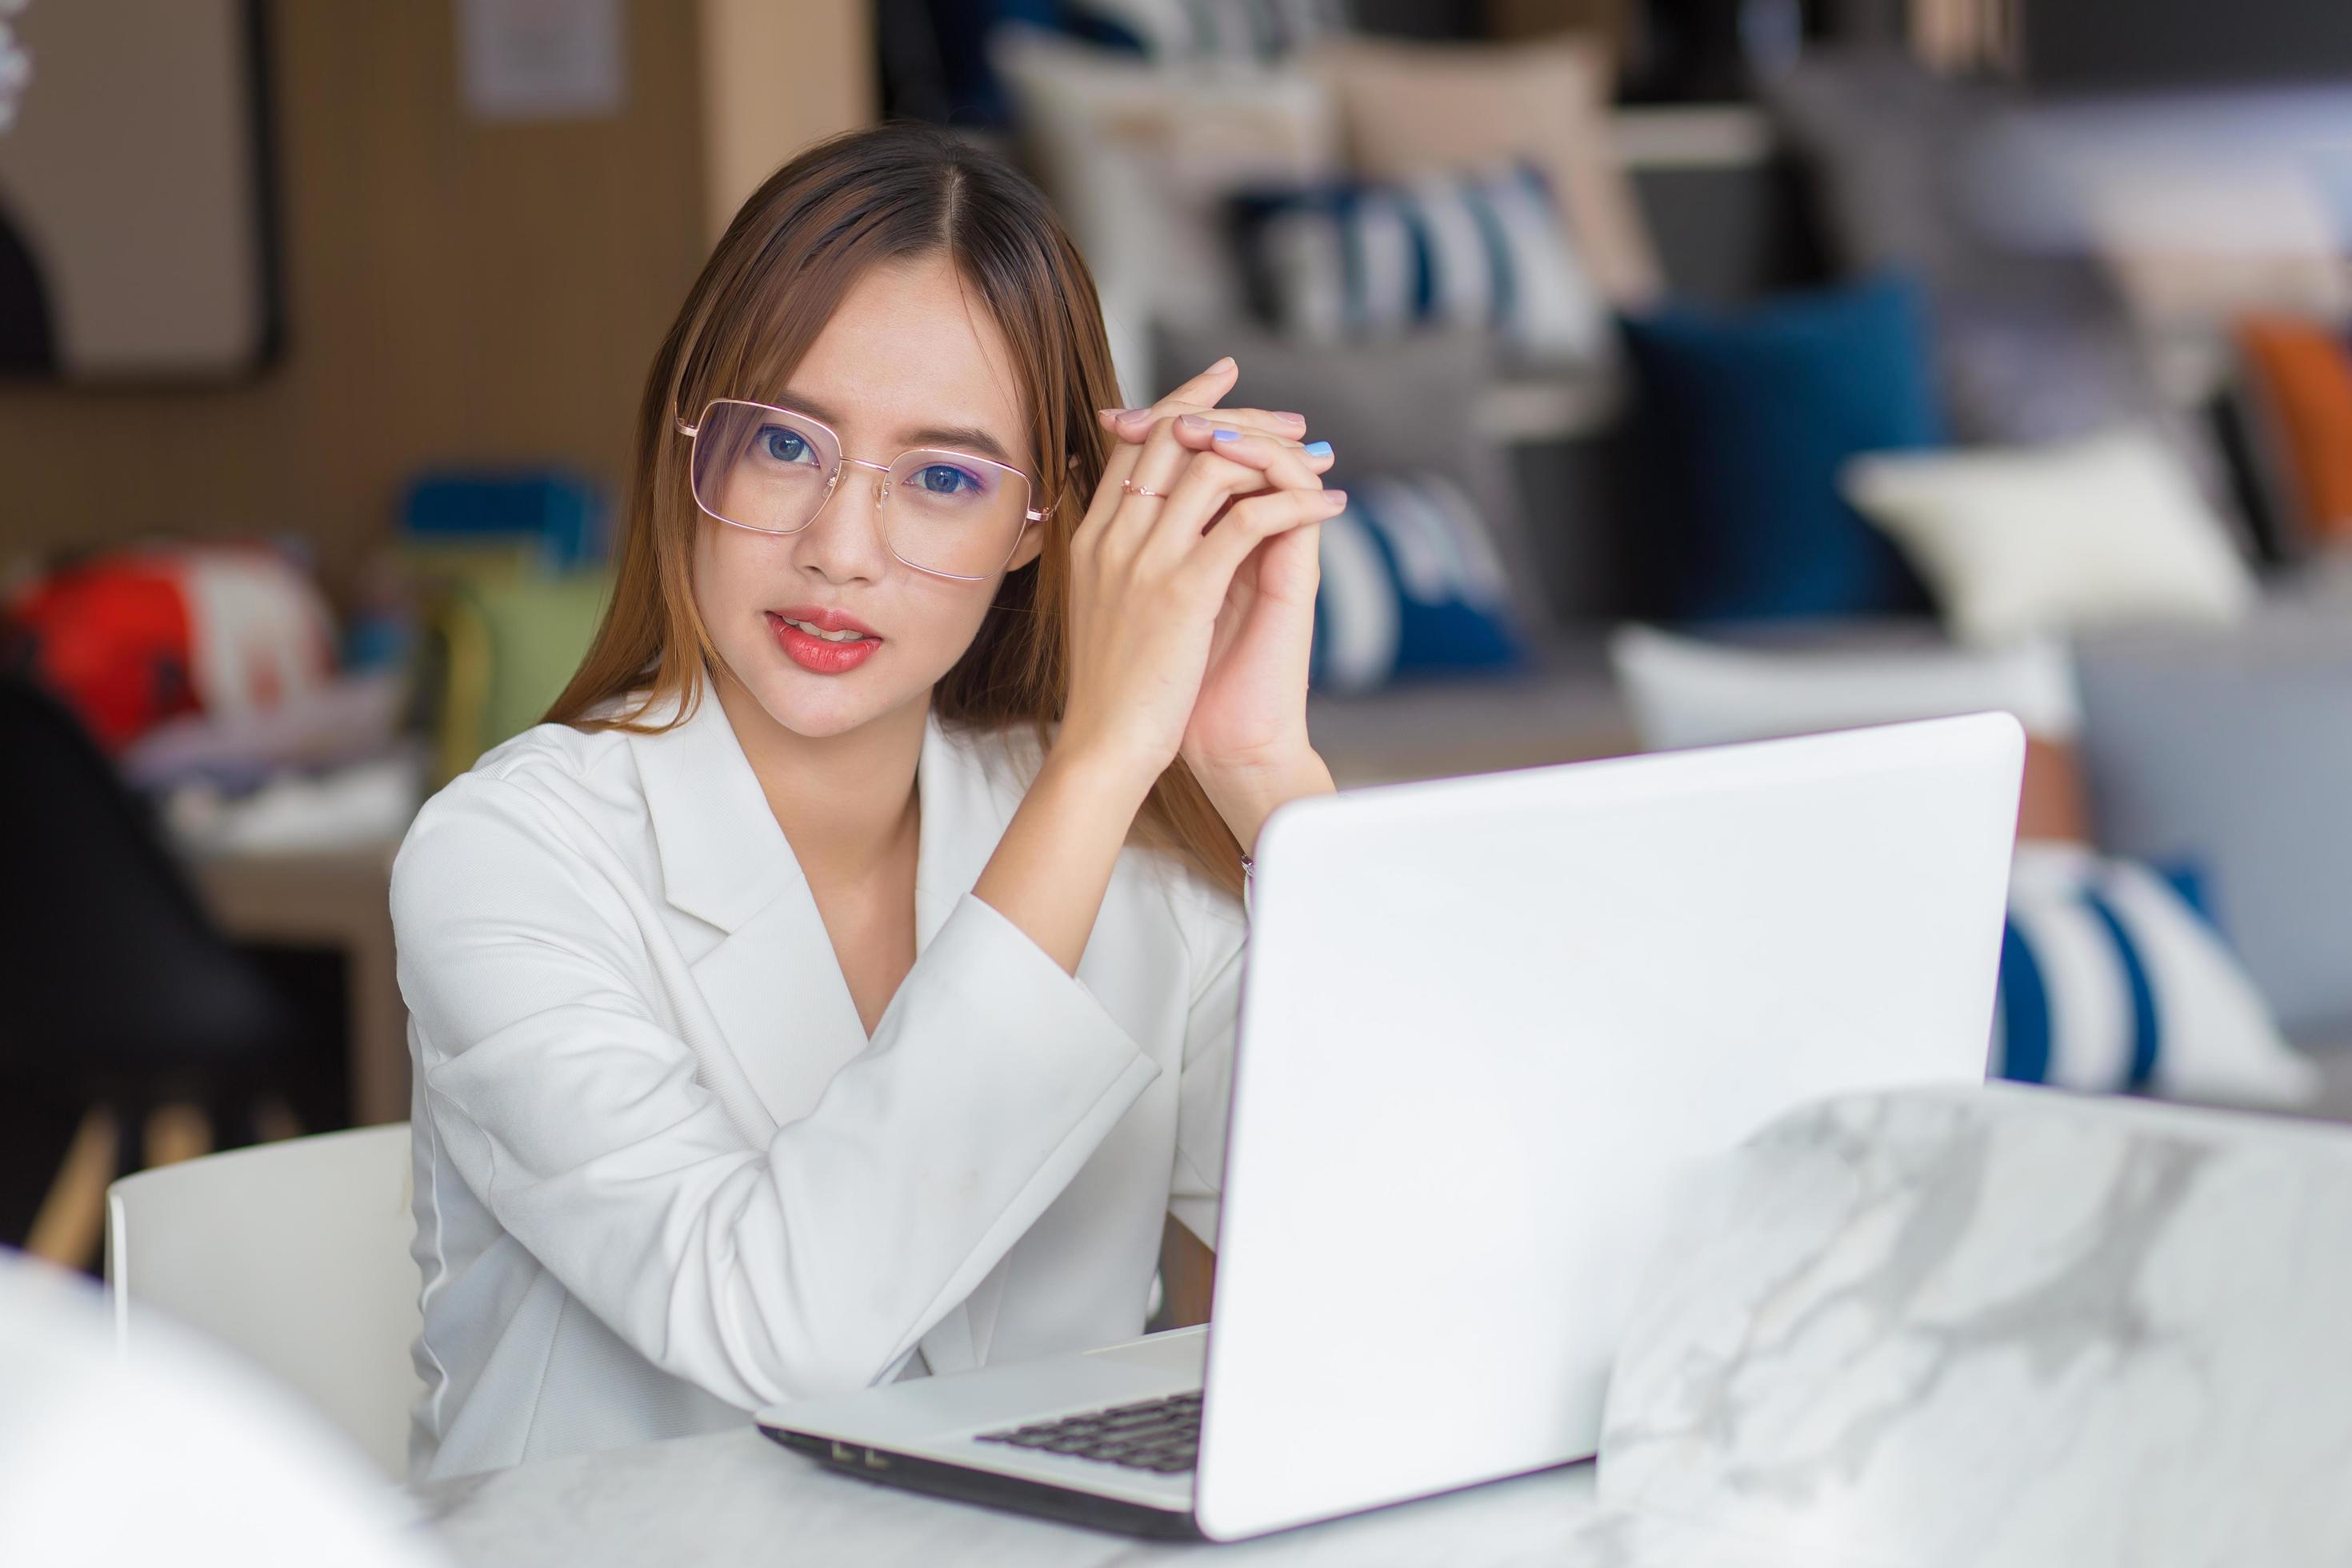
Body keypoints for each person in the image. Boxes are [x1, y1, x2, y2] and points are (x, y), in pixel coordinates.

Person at [390, 122, 1344, 1479]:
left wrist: (1264, 780)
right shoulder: (507, 854)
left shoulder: (1127, 847)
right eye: (786, 445)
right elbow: (786, 1333)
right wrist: (1098, 761)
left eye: (945, 478)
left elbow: (1422, 1246)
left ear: (1042, 526)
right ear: (690, 451)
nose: (840, 549)